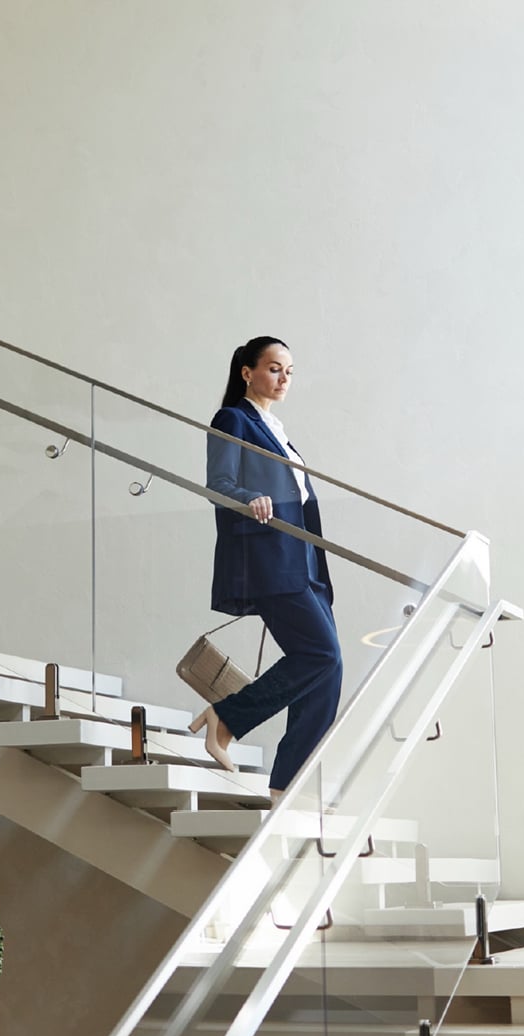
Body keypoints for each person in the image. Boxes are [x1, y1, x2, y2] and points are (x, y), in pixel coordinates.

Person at [189, 336, 342, 802]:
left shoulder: (278, 429)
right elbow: (218, 485)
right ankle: (228, 716)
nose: (283, 379)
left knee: (328, 670)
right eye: (274, 368)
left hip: (306, 561)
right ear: (247, 372)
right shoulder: (233, 419)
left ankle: (286, 787)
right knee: (320, 655)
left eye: (289, 372)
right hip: (272, 560)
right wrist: (249, 498)